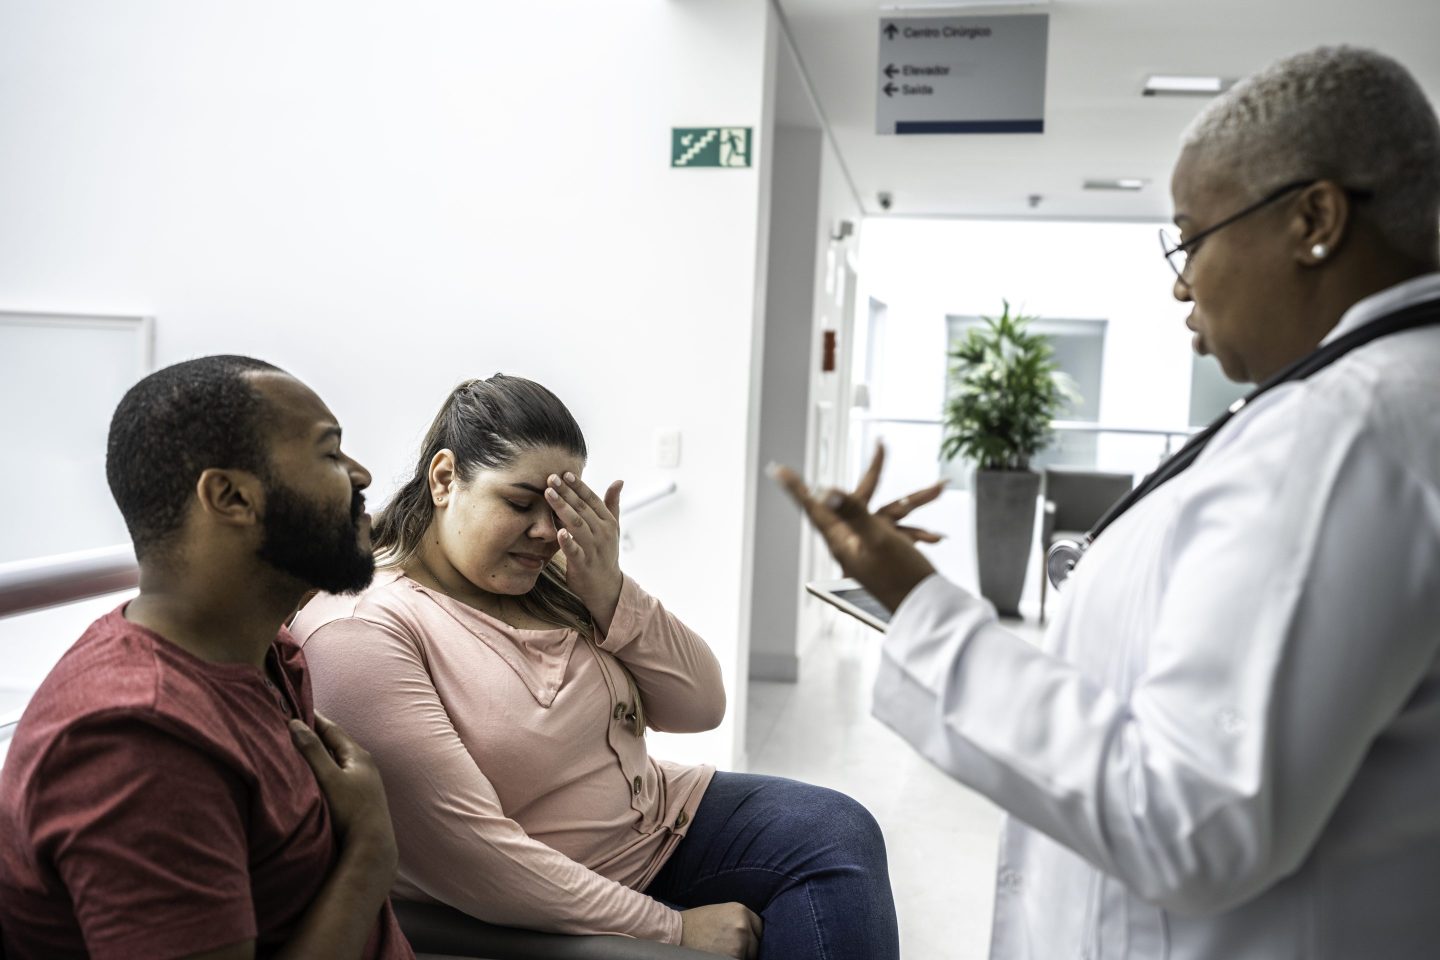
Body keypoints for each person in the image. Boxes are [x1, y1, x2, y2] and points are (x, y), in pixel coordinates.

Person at [775, 45, 1440, 959]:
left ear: (1313, 220)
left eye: (1191, 236)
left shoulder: (1342, 432)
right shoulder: (1372, 404)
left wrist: (923, 608)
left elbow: (1190, 819)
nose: (1180, 279)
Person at [288, 374, 899, 960]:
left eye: (561, 507)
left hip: (659, 823)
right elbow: (476, 858)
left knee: (839, 831)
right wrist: (675, 929)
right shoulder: (363, 629)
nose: (545, 532)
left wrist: (609, 589)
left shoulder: (552, 580)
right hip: (571, 884)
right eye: (522, 502)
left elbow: (701, 706)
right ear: (445, 478)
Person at [0, 356, 413, 960]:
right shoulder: (136, 738)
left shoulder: (271, 651)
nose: (362, 474)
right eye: (330, 454)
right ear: (230, 496)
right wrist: (370, 854)